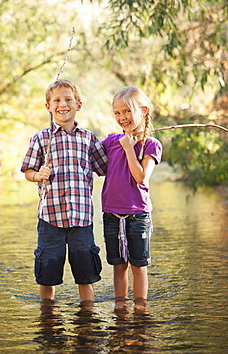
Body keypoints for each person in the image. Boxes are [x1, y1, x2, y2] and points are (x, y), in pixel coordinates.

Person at [21, 78, 107, 306]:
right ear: (48, 106)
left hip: (81, 218)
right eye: (57, 100)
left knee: (85, 272)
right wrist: (37, 175)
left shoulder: (88, 138)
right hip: (50, 218)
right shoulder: (41, 138)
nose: (63, 104)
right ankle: (47, 316)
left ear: (78, 104)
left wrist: (125, 145)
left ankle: (87, 316)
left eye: (69, 99)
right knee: (47, 272)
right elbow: (27, 171)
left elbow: (105, 168)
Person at [101, 85, 162, 312]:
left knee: (138, 266)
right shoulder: (111, 141)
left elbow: (141, 178)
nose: (122, 117)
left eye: (127, 111)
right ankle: (120, 310)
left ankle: (140, 310)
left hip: (137, 215)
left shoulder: (151, 145)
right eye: (117, 113)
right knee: (118, 265)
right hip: (111, 213)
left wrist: (129, 148)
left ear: (143, 110)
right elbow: (94, 163)